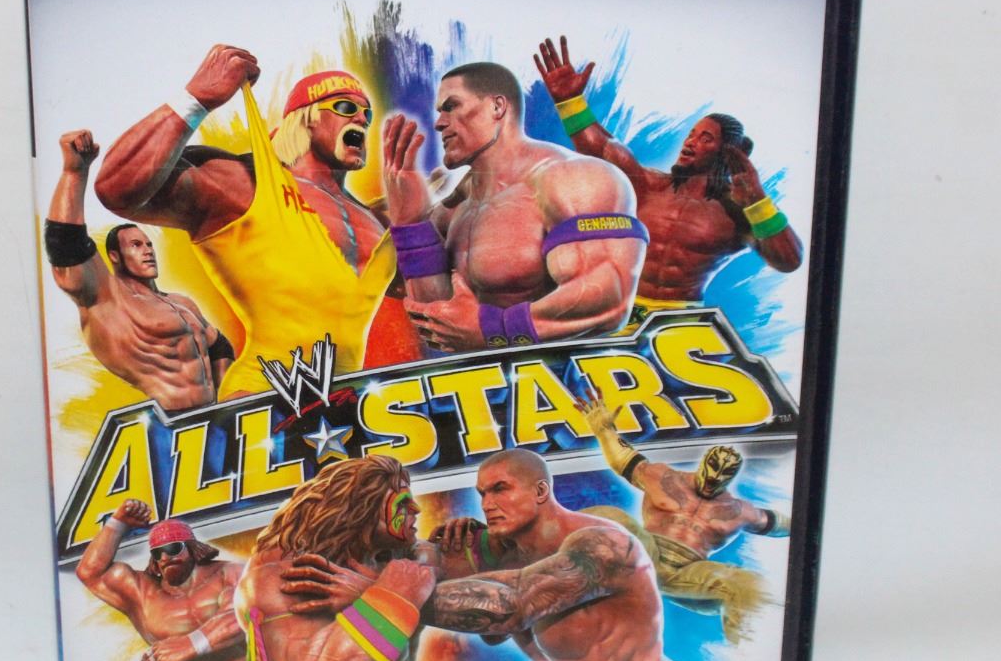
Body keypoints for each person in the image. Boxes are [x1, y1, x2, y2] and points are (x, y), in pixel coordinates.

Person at [287, 450, 730, 661]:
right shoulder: (509, 556)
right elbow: (488, 624)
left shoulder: (602, 545)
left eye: (500, 489)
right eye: (482, 494)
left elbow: (512, 608)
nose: (488, 503)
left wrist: (385, 596)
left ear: (540, 491)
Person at [94, 46, 417, 397]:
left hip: (346, 403)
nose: (361, 119)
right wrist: (197, 99)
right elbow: (116, 188)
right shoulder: (243, 183)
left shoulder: (374, 219)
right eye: (345, 108)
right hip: (262, 397)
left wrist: (420, 211)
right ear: (306, 117)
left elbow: (421, 292)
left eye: (366, 113)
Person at [533, 36, 802, 325]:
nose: (691, 142)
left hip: (679, 322)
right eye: (692, 135)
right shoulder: (647, 185)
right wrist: (569, 101)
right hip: (621, 309)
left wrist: (757, 201)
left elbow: (789, 261)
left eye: (705, 139)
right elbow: (602, 147)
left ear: (726, 152)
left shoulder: (736, 211)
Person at [382, 60, 646, 351]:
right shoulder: (453, 209)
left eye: (451, 106)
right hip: (480, 377)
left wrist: (494, 330)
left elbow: (609, 297)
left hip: (564, 377)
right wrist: (411, 223)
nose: (439, 122)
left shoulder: (574, 178)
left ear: (497, 107)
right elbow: (439, 321)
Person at [42, 129, 232, 412]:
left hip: (215, 421)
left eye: (148, 244)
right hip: (169, 425)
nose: (147, 250)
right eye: (135, 245)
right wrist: (75, 173)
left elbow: (218, 345)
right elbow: (66, 248)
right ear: (115, 256)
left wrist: (228, 400)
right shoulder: (108, 299)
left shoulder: (181, 302)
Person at [580, 395, 787, 645]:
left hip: (689, 574)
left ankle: (746, 660)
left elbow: (780, 524)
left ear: (730, 479)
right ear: (702, 466)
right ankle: (538, 570)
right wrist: (603, 430)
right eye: (709, 477)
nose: (711, 484)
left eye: (719, 482)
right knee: (607, 515)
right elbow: (623, 459)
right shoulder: (664, 477)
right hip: (646, 553)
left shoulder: (740, 510)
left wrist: (815, 522)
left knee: (749, 586)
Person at [232, 456, 435, 661]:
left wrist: (474, 543)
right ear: (360, 508)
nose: (416, 509)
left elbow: (476, 604)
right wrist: (392, 597)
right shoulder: (278, 575)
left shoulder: (397, 556)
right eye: (401, 503)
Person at [74, 499, 247, 661]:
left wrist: (192, 643)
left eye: (173, 549)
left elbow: (241, 615)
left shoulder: (228, 572)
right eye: (158, 553)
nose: (165, 557)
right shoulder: (143, 593)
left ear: (193, 548)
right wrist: (117, 523)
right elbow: (89, 572)